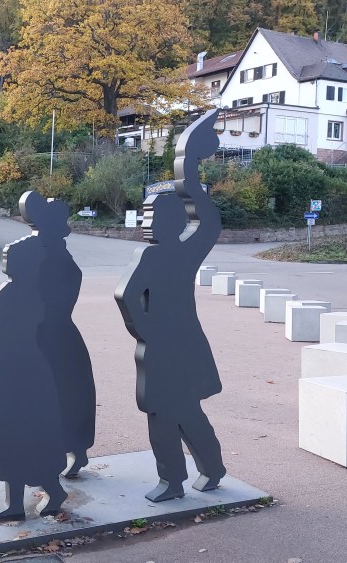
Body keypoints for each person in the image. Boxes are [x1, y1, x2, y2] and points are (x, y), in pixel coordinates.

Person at [114, 110, 227, 503]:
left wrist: (146, 330)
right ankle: (202, 471)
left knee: (169, 413)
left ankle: (183, 477)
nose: (147, 222)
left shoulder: (158, 256)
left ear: (170, 222)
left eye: (153, 215)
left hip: (168, 347)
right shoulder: (175, 252)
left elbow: (126, 297)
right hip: (176, 345)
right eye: (147, 215)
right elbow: (209, 225)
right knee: (176, 411)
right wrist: (189, 175)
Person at [0, 236, 67, 521]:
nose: (5, 258)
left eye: (11, 255)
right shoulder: (24, 291)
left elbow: (18, 336)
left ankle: (43, 494)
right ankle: (21, 500)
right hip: (17, 368)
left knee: (18, 431)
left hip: (19, 369)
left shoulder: (18, 293)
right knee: (15, 432)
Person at [19, 190, 96, 478]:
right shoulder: (53, 253)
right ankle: (70, 452)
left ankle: (69, 452)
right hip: (59, 333)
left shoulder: (49, 255)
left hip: (50, 335)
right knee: (65, 394)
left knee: (60, 395)